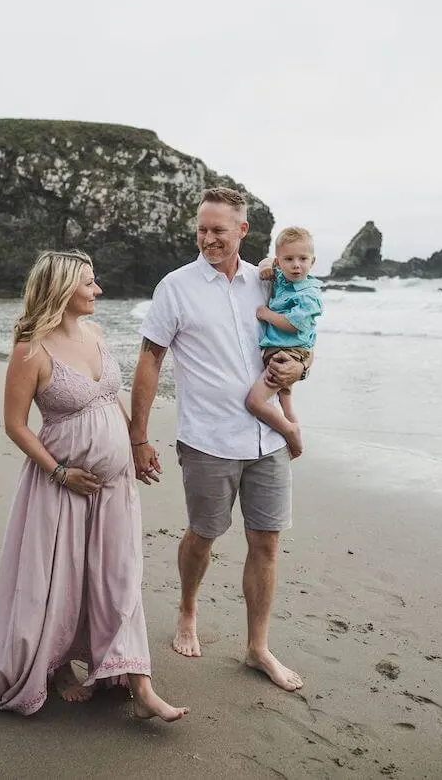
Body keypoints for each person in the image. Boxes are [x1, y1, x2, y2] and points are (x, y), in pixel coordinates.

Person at [0, 250, 188, 722]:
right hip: (61, 486)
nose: (98, 290)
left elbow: (109, 398)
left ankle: (137, 682)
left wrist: (135, 443)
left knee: (118, 577)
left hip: (114, 485)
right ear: (62, 288)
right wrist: (60, 471)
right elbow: (15, 425)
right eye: (89, 283)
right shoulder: (31, 350)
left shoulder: (96, 333)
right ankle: (55, 665)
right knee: (60, 581)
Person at [130, 188, 308, 692]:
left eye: (218, 231)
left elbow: (295, 343)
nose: (208, 239)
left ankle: (257, 648)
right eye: (202, 230)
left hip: (268, 436)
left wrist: (302, 367)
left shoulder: (267, 282)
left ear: (242, 232)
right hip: (208, 438)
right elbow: (149, 359)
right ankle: (188, 608)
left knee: (267, 543)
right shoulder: (176, 287)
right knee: (204, 534)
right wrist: (138, 436)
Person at [245, 227, 323, 459]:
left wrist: (266, 314)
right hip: (279, 349)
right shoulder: (282, 276)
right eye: (289, 259)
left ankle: (290, 432)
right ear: (281, 261)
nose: (296, 265)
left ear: (313, 261)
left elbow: (293, 324)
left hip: (288, 353)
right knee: (285, 399)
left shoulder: (308, 294)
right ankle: (293, 430)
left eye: (303, 259)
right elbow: (265, 261)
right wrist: (268, 266)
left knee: (255, 401)